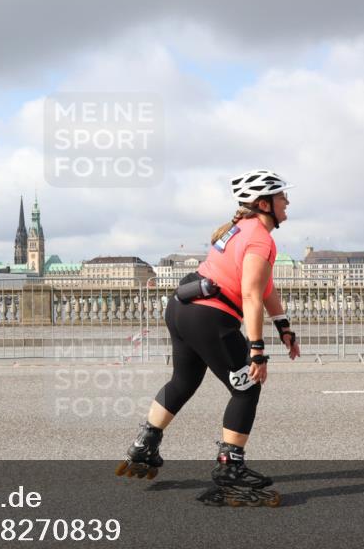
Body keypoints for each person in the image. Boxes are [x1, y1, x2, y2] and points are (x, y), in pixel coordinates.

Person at [115, 170, 300, 506]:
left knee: (183, 381)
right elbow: (252, 293)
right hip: (210, 316)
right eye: (281, 196)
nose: (287, 201)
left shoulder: (236, 230)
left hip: (183, 306)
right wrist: (257, 351)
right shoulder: (260, 238)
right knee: (246, 388)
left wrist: (283, 325)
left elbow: (264, 285)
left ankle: (145, 443)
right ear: (264, 203)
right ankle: (230, 468)